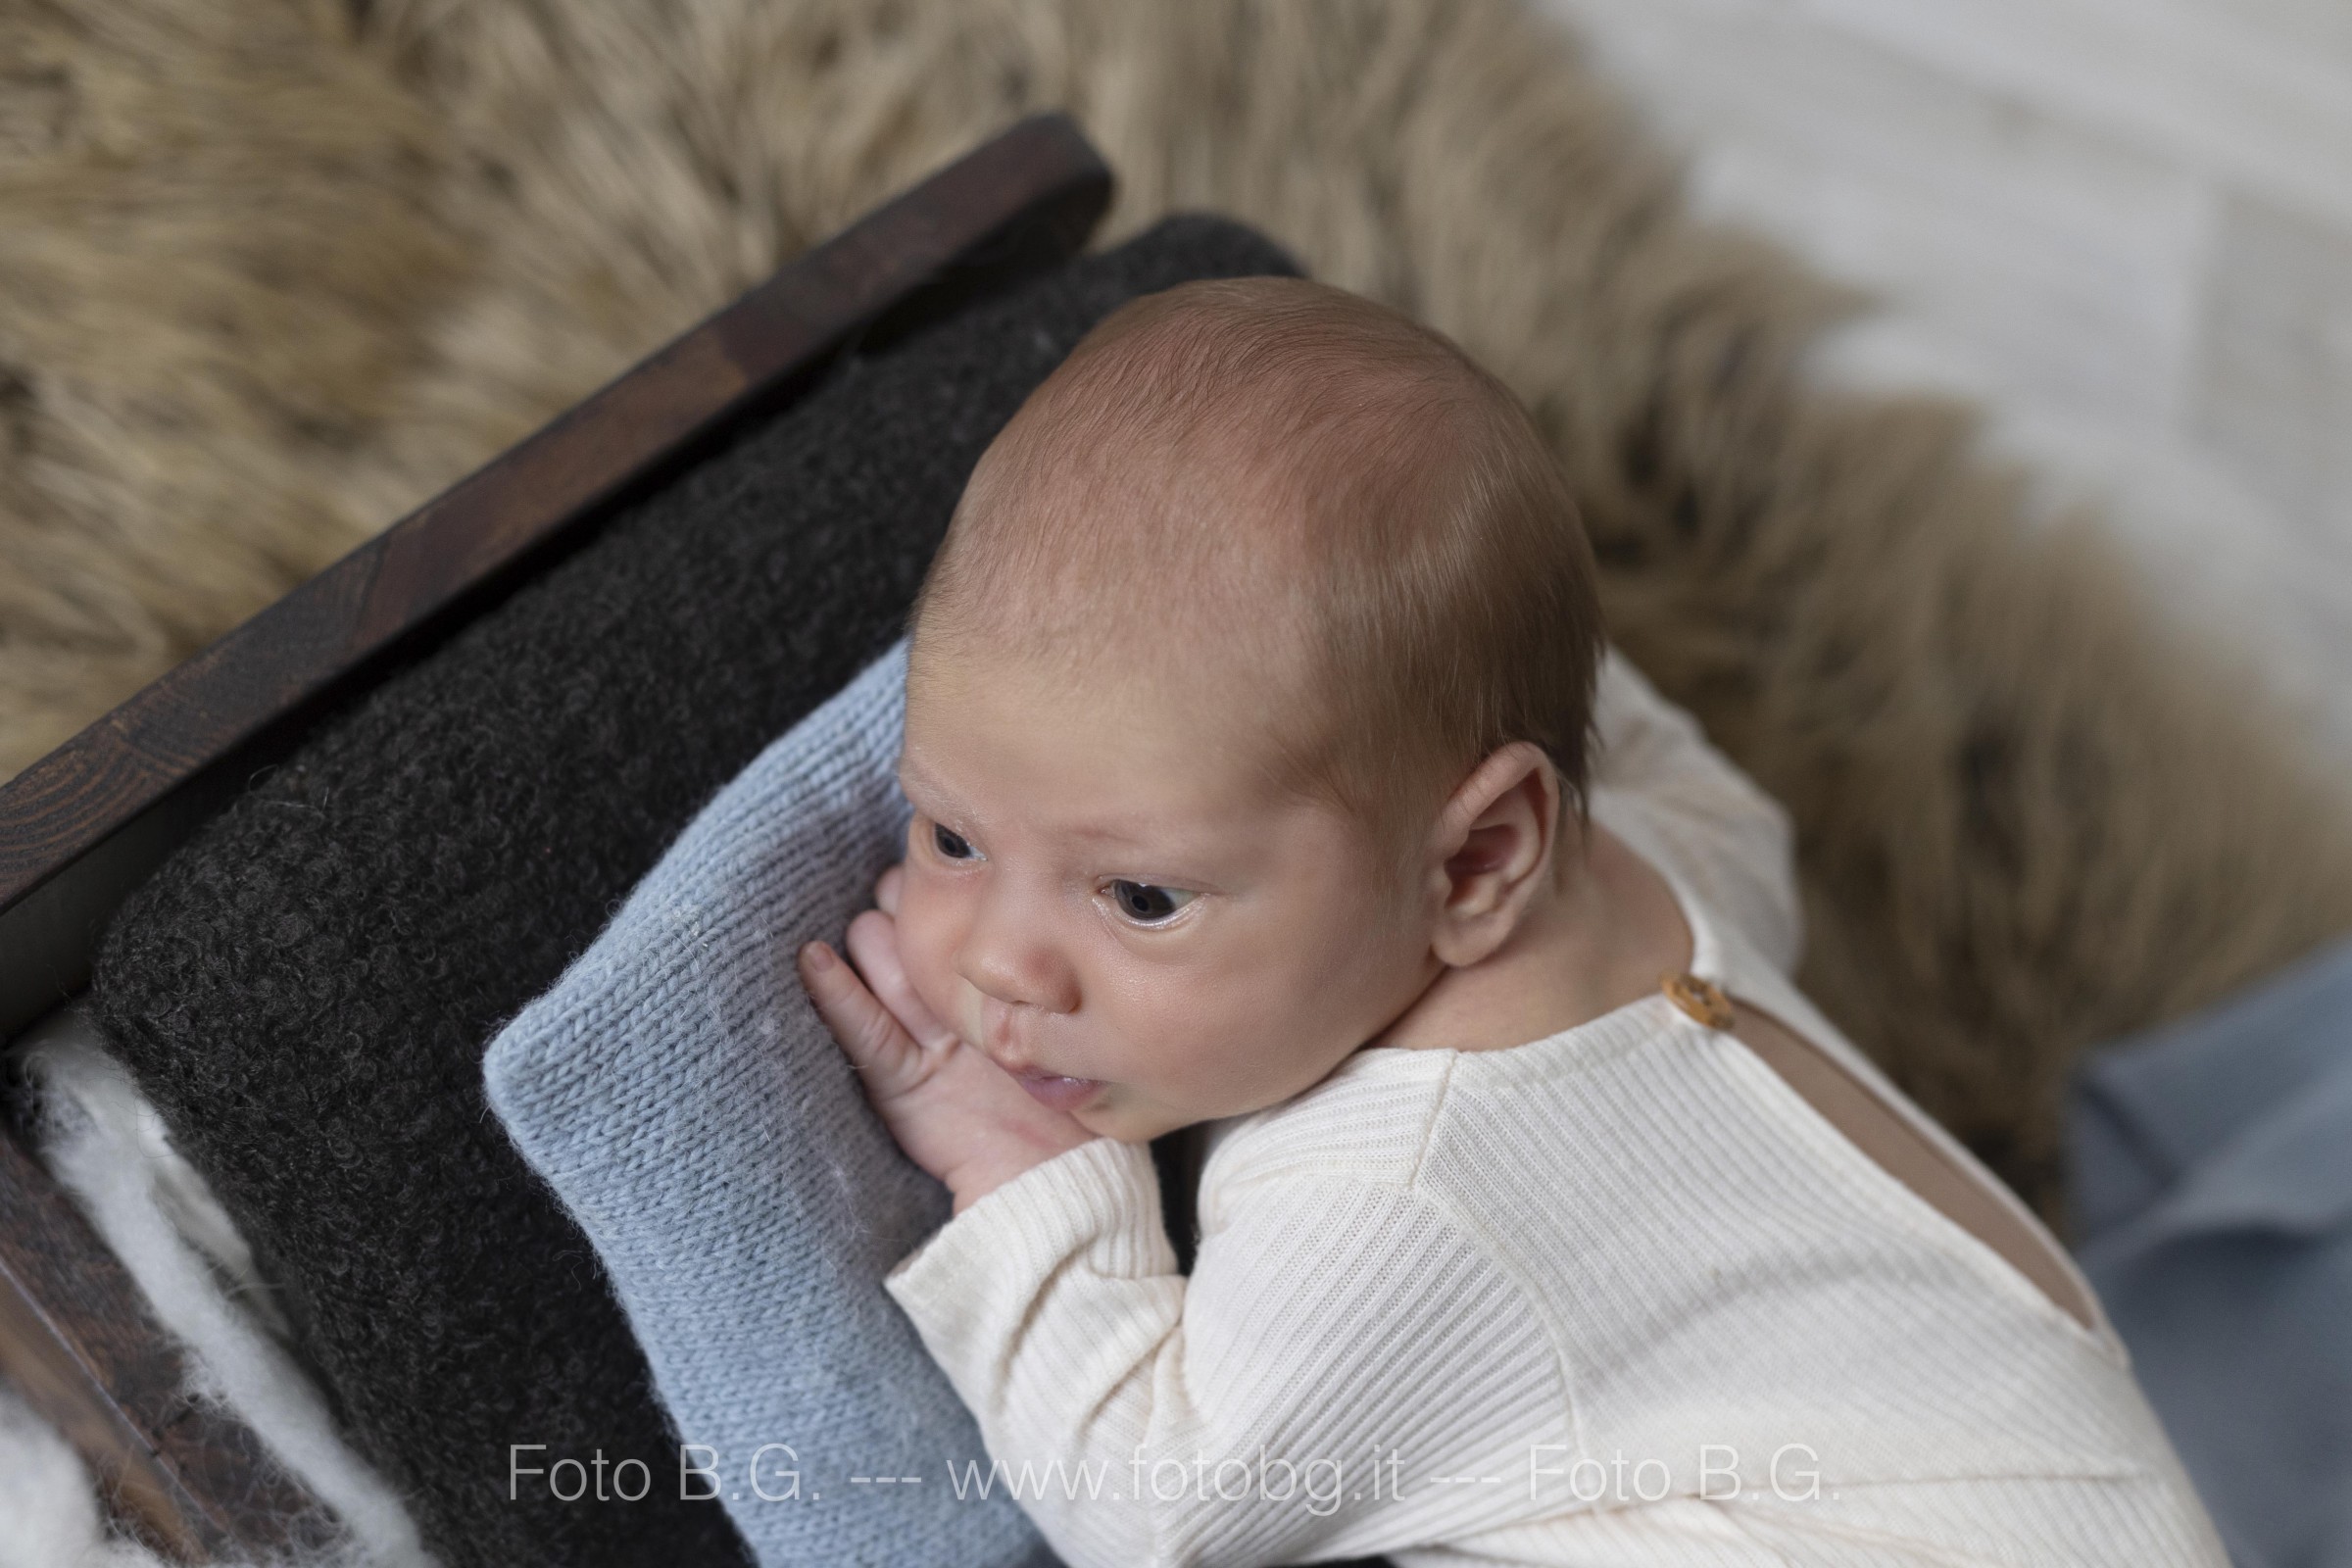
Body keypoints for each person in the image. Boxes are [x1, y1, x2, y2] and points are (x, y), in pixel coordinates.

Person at [793, 276, 2228, 1567]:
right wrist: (1476, 661)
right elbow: (1690, 785)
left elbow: (1159, 1507)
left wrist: (1020, 1166)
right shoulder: (1673, 852)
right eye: (953, 836)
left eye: (1142, 897)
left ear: (1478, 862)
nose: (1001, 962)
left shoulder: (1400, 1197)